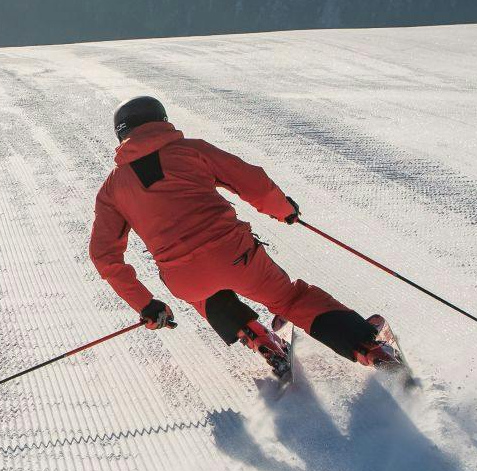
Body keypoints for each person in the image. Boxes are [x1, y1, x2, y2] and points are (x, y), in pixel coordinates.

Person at [87, 95, 395, 376]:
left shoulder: (112, 190)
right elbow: (251, 181)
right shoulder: (191, 150)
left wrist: (146, 305)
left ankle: (258, 337)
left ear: (121, 135)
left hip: (184, 277)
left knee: (204, 293)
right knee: (290, 299)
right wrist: (283, 209)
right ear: (162, 121)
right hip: (235, 256)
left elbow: (104, 257)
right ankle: (369, 348)